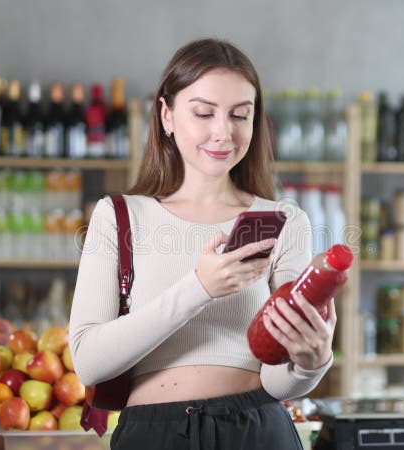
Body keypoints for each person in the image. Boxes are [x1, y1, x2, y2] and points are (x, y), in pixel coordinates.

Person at [69, 38, 336, 450]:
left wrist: (311, 362)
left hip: (257, 430)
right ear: (166, 115)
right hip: (151, 435)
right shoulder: (119, 216)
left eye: (240, 115)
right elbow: (88, 362)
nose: (223, 132)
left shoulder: (283, 222)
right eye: (203, 112)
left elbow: (277, 382)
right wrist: (199, 287)